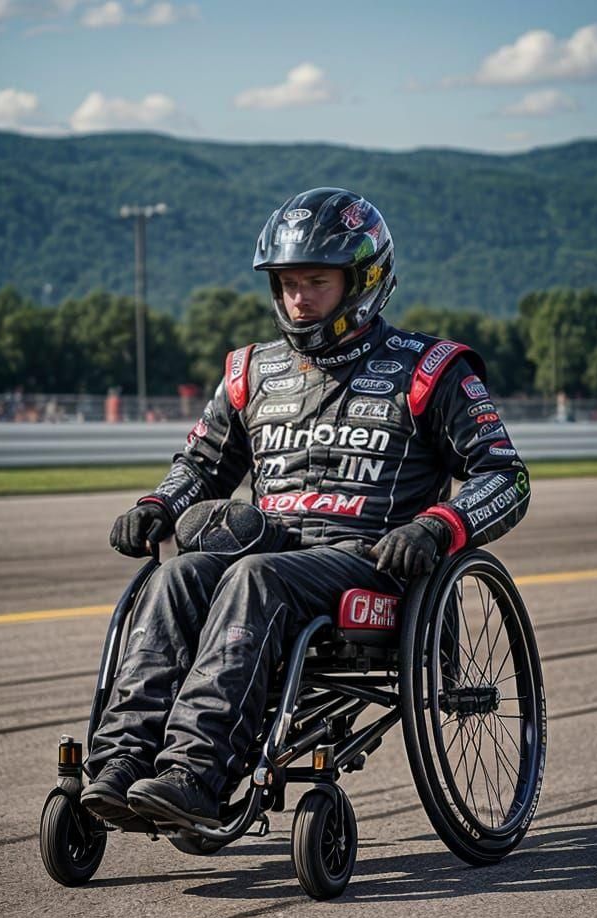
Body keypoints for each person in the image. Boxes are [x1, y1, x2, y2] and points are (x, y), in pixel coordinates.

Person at [81, 186, 530, 828]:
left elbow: (506, 477)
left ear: (363, 280)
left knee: (253, 576)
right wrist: (158, 504)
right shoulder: (249, 371)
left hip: (373, 568)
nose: (298, 298)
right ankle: (118, 765)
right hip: (268, 558)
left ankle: (195, 776)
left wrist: (439, 526)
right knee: (175, 575)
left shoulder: (432, 369)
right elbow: (201, 467)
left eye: (316, 281)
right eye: (288, 283)